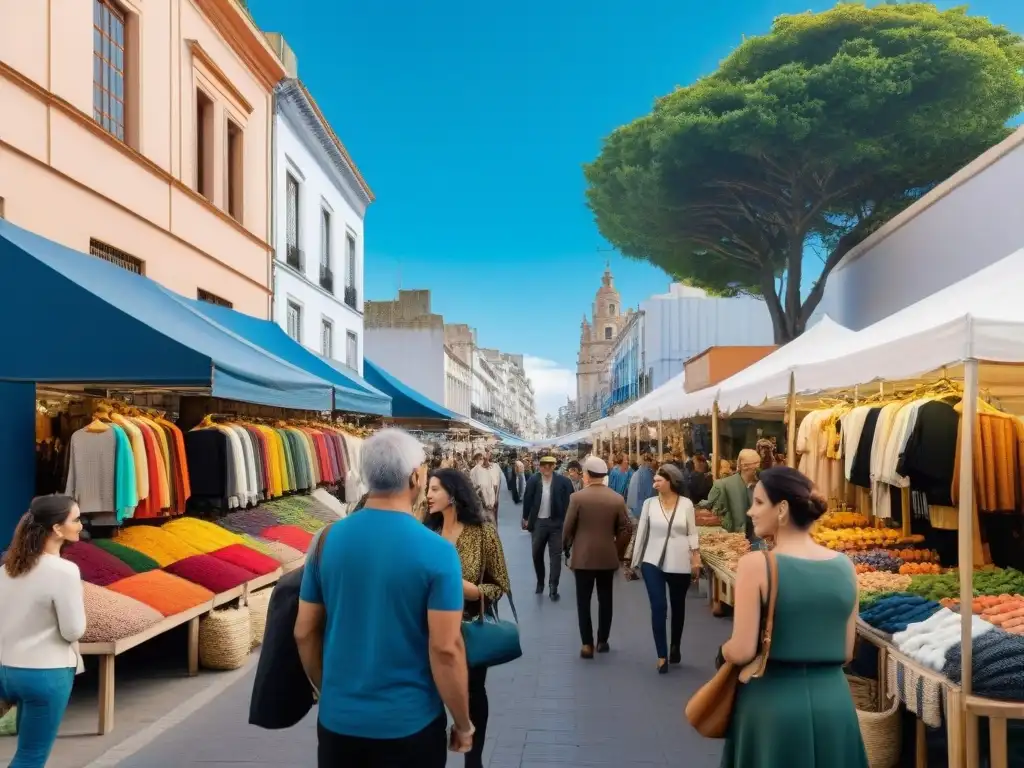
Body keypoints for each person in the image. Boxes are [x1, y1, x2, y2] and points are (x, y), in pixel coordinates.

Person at [295, 429, 474, 766]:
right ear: (416, 477)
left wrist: (329, 690)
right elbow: (446, 648)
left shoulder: (325, 540)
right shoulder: (437, 552)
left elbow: (304, 631)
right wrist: (463, 723)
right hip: (410, 725)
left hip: (339, 724)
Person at [720, 466, 866, 767]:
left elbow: (743, 649)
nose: (750, 511)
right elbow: (847, 650)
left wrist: (723, 652)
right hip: (834, 702)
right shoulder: (845, 566)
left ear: (782, 509)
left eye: (759, 502)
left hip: (773, 703)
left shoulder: (755, 565)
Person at [424, 469, 511, 768]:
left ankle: (474, 760)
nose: (428, 495)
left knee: (473, 694)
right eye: (427, 489)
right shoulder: (426, 533)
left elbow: (500, 585)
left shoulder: (483, 532)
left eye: (435, 489)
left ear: (453, 493)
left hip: (469, 630)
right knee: (429, 696)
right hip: (427, 631)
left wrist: (472, 591)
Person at [0, 495, 86, 768]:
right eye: (76, 519)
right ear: (57, 529)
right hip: (46, 674)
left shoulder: (6, 570)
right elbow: (73, 630)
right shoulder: (65, 571)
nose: (81, 525)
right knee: (30, 756)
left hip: (7, 670)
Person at [631, 464, 700, 673]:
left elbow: (692, 532)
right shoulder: (649, 504)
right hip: (653, 561)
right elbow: (642, 532)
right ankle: (661, 655)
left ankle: (675, 645)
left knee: (678, 607)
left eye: (659, 480)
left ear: (671, 481)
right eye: (655, 480)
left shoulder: (686, 504)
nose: (654, 484)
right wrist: (635, 561)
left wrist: (695, 558)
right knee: (659, 606)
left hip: (679, 562)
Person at [561, 456, 630, 659]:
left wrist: (565, 546)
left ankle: (586, 644)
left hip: (582, 557)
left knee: (583, 600)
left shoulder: (577, 498)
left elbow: (568, 526)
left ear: (587, 476)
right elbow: (626, 528)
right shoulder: (617, 499)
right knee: (605, 599)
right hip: (607, 556)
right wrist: (616, 549)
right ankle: (603, 641)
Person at [521, 455, 574, 601]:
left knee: (555, 556)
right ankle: (540, 581)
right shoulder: (533, 480)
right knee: (536, 554)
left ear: (554, 466)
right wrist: (525, 518)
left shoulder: (564, 482)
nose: (547, 468)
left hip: (556, 523)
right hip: (538, 523)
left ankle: (553, 587)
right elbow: (527, 499)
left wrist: (569, 521)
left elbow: (571, 502)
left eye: (550, 465)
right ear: (539, 466)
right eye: (544, 465)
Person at [700, 449, 763, 548]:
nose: (759, 467)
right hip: (734, 545)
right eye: (755, 463)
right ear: (744, 465)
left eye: (759, 463)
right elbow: (712, 515)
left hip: (759, 543)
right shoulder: (723, 486)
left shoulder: (762, 486)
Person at [469, 451, 502, 523]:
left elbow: (496, 484)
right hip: (482, 503)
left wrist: (496, 499)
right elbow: (474, 488)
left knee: (493, 521)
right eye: (478, 459)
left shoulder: (494, 468)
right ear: (475, 460)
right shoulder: (474, 471)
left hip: (493, 501)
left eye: (481, 458)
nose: (480, 460)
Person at [628, 454, 656, 519]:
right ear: (648, 462)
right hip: (644, 511)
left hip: (634, 510)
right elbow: (651, 494)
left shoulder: (636, 473)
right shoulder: (648, 474)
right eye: (651, 461)